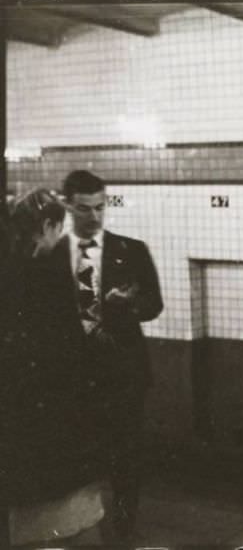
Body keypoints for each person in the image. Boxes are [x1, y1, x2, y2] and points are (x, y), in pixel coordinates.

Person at [51, 170, 163, 541]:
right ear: (68, 205)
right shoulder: (50, 256)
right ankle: (80, 527)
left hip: (122, 378)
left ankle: (125, 530)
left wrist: (127, 306)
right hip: (73, 378)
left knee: (126, 461)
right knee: (78, 457)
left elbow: (154, 305)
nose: (95, 217)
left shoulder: (132, 250)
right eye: (84, 209)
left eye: (101, 207)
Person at [0, 188, 106, 545]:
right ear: (47, 226)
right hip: (57, 429)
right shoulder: (49, 277)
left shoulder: (10, 270)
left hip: (19, 437)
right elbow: (73, 349)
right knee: (76, 525)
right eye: (59, 229)